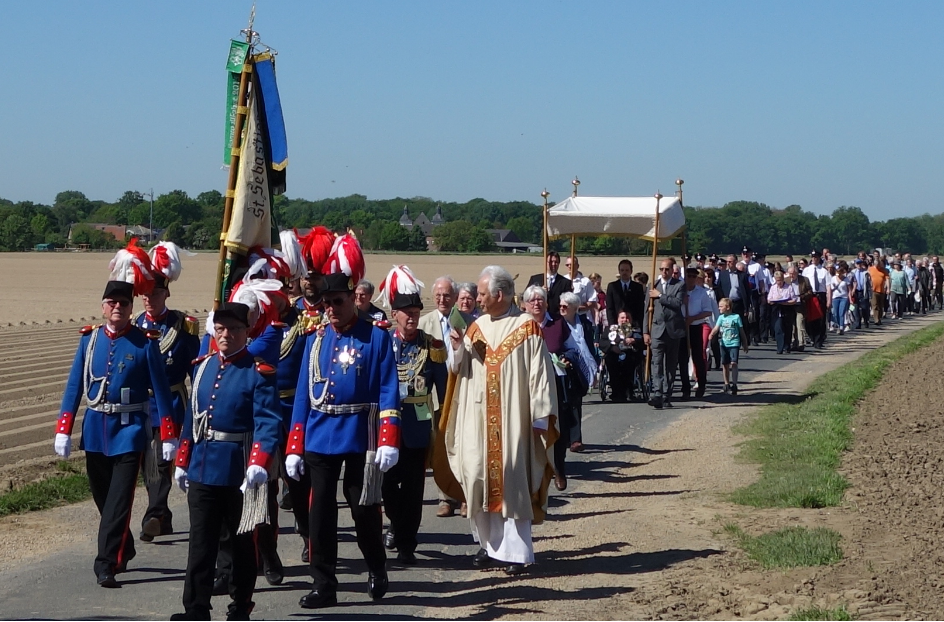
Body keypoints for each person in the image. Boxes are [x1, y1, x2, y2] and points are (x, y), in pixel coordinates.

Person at [55, 244, 177, 589]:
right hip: (96, 431)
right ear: (103, 306)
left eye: (124, 303)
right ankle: (124, 545)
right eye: (112, 303)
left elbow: (161, 390)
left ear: (130, 307)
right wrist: (63, 428)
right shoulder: (89, 340)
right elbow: (74, 386)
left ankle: (106, 563)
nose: (118, 308)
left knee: (119, 501)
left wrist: (168, 433)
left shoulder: (145, 343)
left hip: (129, 433)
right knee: (103, 498)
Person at [286, 273, 401, 609]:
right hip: (320, 434)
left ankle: (376, 565)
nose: (331, 309)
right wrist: (294, 446)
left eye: (337, 302)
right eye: (326, 303)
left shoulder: (375, 337)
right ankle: (323, 584)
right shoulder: (315, 339)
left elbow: (388, 388)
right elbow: (303, 395)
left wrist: (388, 438)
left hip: (359, 434)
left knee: (363, 509)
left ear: (353, 299)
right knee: (320, 513)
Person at [170, 302, 282, 621]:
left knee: (242, 542)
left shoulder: (258, 372)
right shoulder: (203, 366)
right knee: (200, 543)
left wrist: (259, 462)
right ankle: (195, 608)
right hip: (203, 466)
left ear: (246, 332)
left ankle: (240, 606)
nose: (226, 335)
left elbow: (268, 422)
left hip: (239, 470)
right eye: (220, 329)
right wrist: (182, 460)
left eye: (233, 329)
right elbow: (193, 418)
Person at [444, 265, 558, 575]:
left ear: (499, 294)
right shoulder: (476, 327)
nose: (477, 299)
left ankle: (516, 553)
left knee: (512, 484)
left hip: (514, 420)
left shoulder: (526, 327)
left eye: (482, 294)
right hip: (478, 419)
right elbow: (459, 370)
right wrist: (457, 348)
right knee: (477, 476)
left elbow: (540, 374)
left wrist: (539, 418)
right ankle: (489, 545)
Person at [380, 268, 447, 565]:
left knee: (413, 489)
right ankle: (395, 523)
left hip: (417, 426)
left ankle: (407, 543)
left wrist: (444, 425)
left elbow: (443, 389)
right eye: (407, 313)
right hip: (386, 426)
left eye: (416, 313)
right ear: (394, 314)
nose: (412, 318)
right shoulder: (383, 342)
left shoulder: (432, 346)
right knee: (386, 486)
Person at [135, 242, 200, 544]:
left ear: (166, 294)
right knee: (146, 462)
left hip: (172, 404)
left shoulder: (182, 327)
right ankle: (162, 516)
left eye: (155, 293)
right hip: (141, 404)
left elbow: (194, 369)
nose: (149, 299)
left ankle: (153, 515)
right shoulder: (136, 325)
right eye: (145, 294)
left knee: (162, 461)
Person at [418, 275, 470, 518]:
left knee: (464, 446)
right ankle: (445, 498)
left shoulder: (468, 322)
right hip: (437, 398)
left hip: (463, 394)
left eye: (447, 295)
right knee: (440, 446)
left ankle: (466, 496)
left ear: (455, 297)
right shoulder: (424, 323)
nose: (442, 299)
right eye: (438, 295)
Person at [522, 285, 572, 491]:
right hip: (526, 386)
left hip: (555, 384)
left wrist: (566, 358)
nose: (537, 303)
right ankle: (532, 471)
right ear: (525, 305)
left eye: (540, 299)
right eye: (532, 300)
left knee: (556, 425)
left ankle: (558, 467)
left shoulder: (558, 324)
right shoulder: (519, 326)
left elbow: (572, 348)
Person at [643, 259, 686, 409]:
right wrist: (645, 331)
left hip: (673, 330)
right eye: (661, 269)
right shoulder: (653, 286)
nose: (664, 272)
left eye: (667, 269)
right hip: (657, 330)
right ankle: (657, 393)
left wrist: (660, 296)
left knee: (670, 365)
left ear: (672, 270)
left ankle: (667, 395)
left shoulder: (679, 285)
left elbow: (677, 303)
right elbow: (647, 311)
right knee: (656, 363)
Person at [558, 291, 598, 452]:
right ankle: (565, 437)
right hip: (563, 364)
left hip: (580, 366)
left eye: (565, 306)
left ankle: (576, 439)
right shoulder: (557, 324)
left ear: (574, 308)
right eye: (560, 305)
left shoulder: (585, 324)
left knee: (575, 401)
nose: (561, 308)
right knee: (564, 402)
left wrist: (594, 365)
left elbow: (590, 346)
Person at [683, 268, 713, 398]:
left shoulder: (702, 293)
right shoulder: (680, 291)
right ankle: (685, 388)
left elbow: (708, 311)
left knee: (698, 357)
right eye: (688, 276)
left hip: (695, 326)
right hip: (682, 327)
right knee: (682, 358)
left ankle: (701, 384)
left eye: (693, 276)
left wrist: (693, 318)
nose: (690, 279)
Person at [601, 310, 643, 403]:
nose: (625, 320)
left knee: (629, 362)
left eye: (627, 317)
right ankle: (616, 392)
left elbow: (643, 342)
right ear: (618, 319)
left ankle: (628, 391)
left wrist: (634, 340)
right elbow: (602, 342)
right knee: (611, 362)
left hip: (630, 353)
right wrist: (612, 347)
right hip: (614, 353)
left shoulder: (636, 329)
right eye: (622, 318)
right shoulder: (610, 329)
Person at [709, 298, 749, 395]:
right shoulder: (721, 318)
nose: (719, 308)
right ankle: (726, 383)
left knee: (734, 363)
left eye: (721, 306)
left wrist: (745, 343)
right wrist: (711, 334)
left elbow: (741, 331)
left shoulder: (736, 317)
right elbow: (716, 328)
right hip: (724, 344)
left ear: (728, 307)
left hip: (734, 343)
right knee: (725, 364)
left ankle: (734, 384)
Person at [527, 251, 572, 319]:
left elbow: (568, 303)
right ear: (546, 263)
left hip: (557, 319)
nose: (553, 264)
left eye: (556, 262)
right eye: (550, 262)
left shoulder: (566, 282)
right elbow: (526, 298)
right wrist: (540, 291)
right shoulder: (535, 279)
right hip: (537, 318)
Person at [802, 252, 831, 348]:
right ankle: (812, 337)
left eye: (816, 257)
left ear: (819, 258)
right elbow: (803, 284)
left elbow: (828, 287)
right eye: (813, 257)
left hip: (820, 296)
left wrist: (829, 300)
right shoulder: (806, 270)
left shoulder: (824, 271)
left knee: (821, 319)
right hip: (810, 296)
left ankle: (819, 340)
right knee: (809, 319)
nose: (814, 259)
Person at [767, 270, 799, 354]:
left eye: (780, 280)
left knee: (787, 328)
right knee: (778, 328)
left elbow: (794, 299)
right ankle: (780, 348)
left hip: (787, 309)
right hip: (777, 309)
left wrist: (786, 302)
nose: (779, 282)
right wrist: (773, 301)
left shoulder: (789, 287)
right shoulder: (773, 287)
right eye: (777, 280)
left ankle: (787, 347)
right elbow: (769, 299)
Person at [606, 259, 645, 327]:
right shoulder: (612, 286)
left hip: (633, 325)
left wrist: (637, 324)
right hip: (616, 324)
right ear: (619, 271)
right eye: (622, 270)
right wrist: (612, 325)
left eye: (627, 270)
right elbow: (610, 308)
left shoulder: (638, 287)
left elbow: (640, 308)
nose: (624, 272)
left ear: (631, 271)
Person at [702, 269, 722, 370]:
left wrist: (719, 323)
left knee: (713, 343)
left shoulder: (714, 291)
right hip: (702, 321)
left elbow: (716, 309)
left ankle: (717, 361)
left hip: (712, 321)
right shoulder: (700, 290)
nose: (707, 279)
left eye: (709, 277)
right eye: (705, 277)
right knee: (705, 345)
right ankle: (707, 363)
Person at [829, 264, 852, 335]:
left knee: (841, 313)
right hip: (835, 298)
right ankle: (839, 325)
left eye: (840, 273)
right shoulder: (833, 278)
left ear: (842, 273)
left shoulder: (846, 279)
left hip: (844, 297)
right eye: (837, 273)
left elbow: (849, 290)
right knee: (835, 314)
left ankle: (841, 327)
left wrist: (850, 299)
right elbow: (831, 289)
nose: (838, 275)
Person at [850, 259, 873, 329]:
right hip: (855, 292)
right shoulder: (852, 272)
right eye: (857, 264)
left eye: (860, 263)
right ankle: (857, 323)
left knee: (865, 308)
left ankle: (866, 321)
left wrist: (870, 294)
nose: (859, 265)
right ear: (855, 265)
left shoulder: (866, 272)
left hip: (863, 292)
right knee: (855, 308)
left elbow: (869, 284)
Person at [868, 256, 889, 325]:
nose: (877, 266)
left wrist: (888, 288)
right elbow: (868, 278)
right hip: (873, 290)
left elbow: (887, 279)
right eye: (876, 265)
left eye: (878, 265)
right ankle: (876, 320)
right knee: (875, 305)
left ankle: (879, 318)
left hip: (881, 290)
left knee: (880, 306)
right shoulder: (870, 269)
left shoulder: (883, 270)